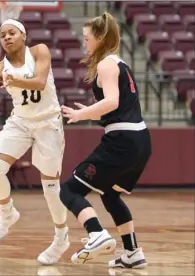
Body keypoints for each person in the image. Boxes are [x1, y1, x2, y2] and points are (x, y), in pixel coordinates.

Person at [0, 19, 69, 265]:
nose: (7, 38)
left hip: (48, 122)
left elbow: (40, 82)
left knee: (51, 189)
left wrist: (16, 81)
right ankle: (7, 213)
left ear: (23, 35)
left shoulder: (40, 51)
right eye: (2, 35)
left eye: (11, 33)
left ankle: (62, 236)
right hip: (20, 121)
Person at [60, 12, 151, 269]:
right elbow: (115, 104)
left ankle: (96, 233)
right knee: (110, 195)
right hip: (140, 140)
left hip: (122, 140)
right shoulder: (119, 63)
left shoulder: (106, 65)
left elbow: (112, 101)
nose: (84, 42)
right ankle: (133, 252)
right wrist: (89, 111)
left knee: (68, 190)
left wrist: (81, 114)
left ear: (100, 38)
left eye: (87, 38)